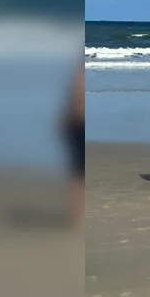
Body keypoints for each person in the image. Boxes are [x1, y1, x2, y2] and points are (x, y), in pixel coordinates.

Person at [64, 62, 85, 227]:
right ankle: (76, 213)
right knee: (77, 172)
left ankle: (76, 213)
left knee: (77, 172)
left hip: (76, 123)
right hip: (76, 124)